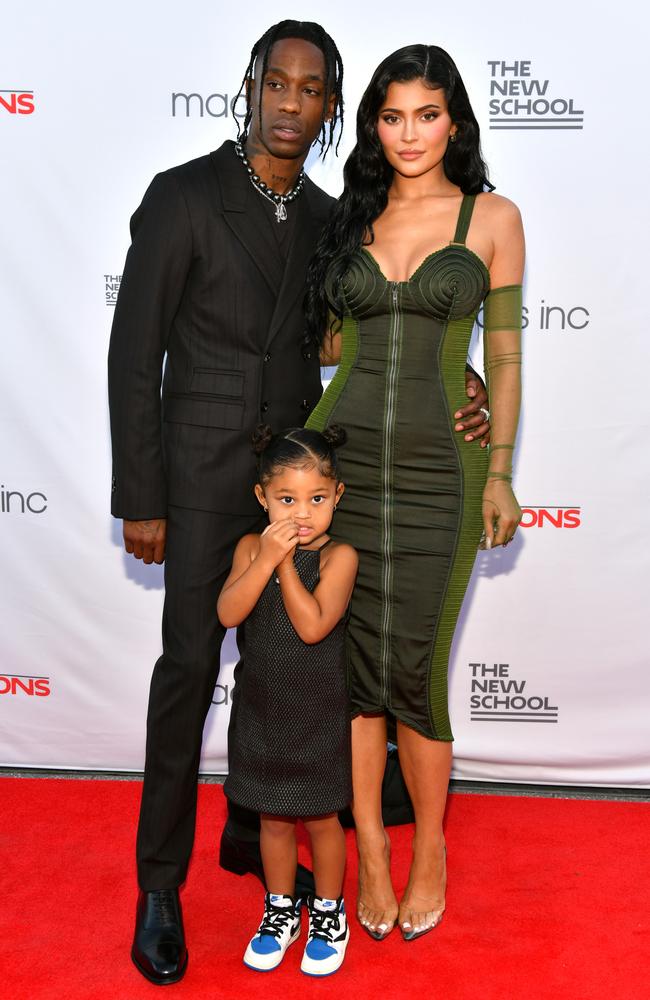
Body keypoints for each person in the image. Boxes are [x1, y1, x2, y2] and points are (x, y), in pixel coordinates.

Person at [107, 21, 490, 984]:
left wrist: (462, 379)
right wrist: (141, 494)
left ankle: (257, 821)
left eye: (310, 89)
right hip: (197, 487)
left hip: (304, 484)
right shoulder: (183, 196)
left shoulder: (329, 217)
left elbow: (347, 342)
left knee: (301, 666)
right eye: (275, 83)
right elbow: (132, 357)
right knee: (191, 669)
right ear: (250, 87)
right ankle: (160, 886)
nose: (289, 101)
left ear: (329, 109)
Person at [305, 44, 524, 942]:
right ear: (373, 125)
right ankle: (371, 845)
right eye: (391, 117)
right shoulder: (349, 219)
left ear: (455, 122)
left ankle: (429, 842)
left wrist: (501, 465)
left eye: (426, 115)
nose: (408, 134)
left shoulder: (493, 217)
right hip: (344, 464)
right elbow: (328, 346)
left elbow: (507, 354)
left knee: (418, 668)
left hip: (446, 471)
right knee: (356, 677)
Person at [217, 425, 357, 976]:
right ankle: (280, 910)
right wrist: (263, 558)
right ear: (262, 498)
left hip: (318, 711)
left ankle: (327, 911)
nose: (302, 513)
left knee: (323, 820)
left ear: (337, 496)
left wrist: (283, 565)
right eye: (287, 499)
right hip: (264, 707)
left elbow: (313, 626)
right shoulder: (251, 546)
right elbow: (228, 613)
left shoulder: (339, 556)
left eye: (317, 499)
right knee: (272, 819)